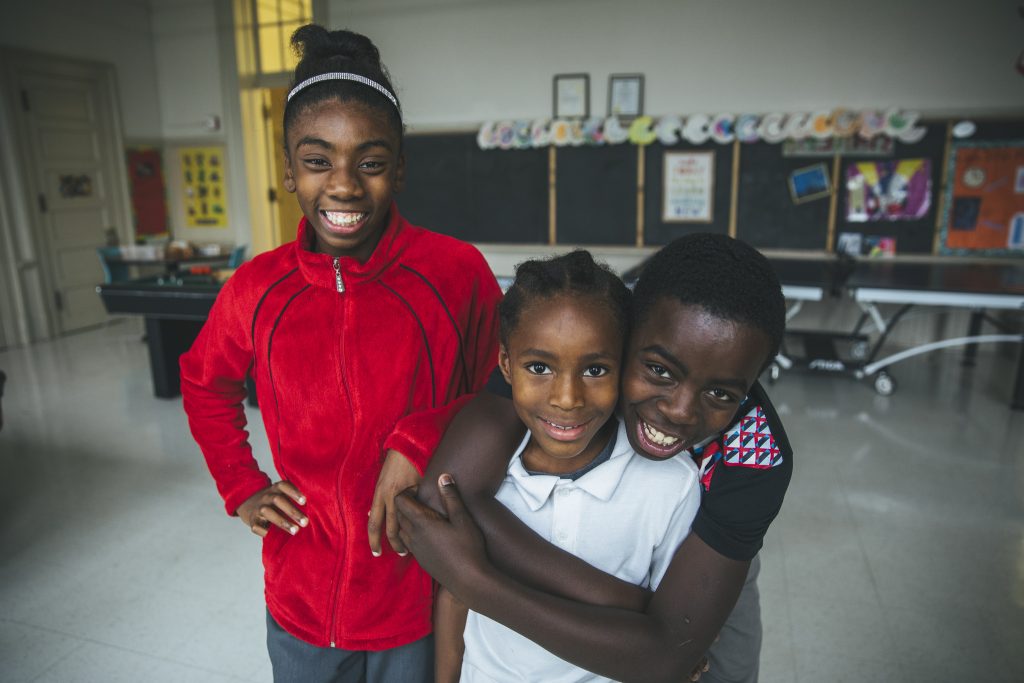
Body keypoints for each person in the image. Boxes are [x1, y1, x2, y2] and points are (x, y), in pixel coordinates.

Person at [179, 24, 502, 683]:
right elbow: (203, 381)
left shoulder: (456, 273)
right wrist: (241, 484)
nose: (345, 185)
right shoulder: (256, 288)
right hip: (299, 596)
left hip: (413, 592)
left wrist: (418, 439)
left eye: (371, 161)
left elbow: (496, 396)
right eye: (319, 160)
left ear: (400, 167)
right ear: (290, 170)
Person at [395, 233, 792, 683]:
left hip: (710, 563)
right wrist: (635, 607)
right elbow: (444, 496)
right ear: (626, 334)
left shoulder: (755, 457)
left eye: (720, 393)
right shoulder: (572, 342)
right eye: (658, 370)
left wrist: (475, 580)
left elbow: (666, 657)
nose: (679, 411)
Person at [435, 250, 701, 682]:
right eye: (538, 367)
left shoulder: (670, 484)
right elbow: (456, 592)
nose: (567, 398)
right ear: (505, 365)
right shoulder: (483, 472)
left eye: (595, 369)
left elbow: (669, 624)